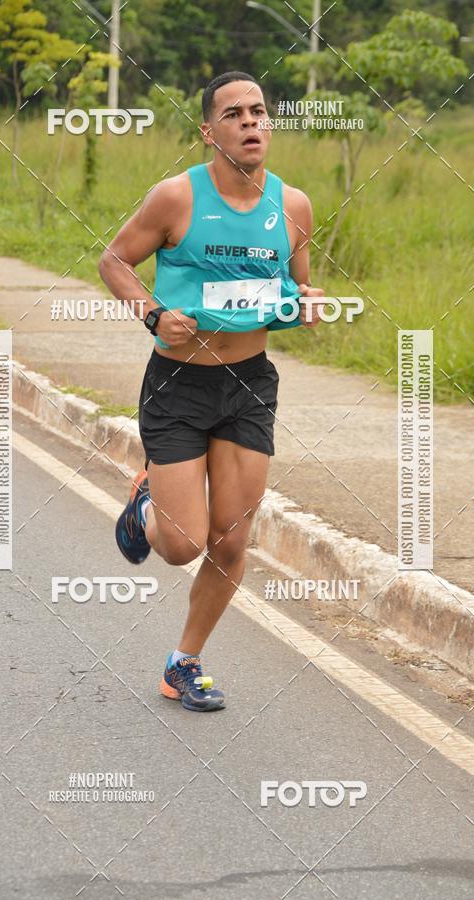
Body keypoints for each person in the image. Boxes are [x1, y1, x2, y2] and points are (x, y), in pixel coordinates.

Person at [98, 70, 324, 712]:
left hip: (248, 383)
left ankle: (183, 663)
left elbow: (294, 294)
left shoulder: (295, 207)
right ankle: (147, 504)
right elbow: (114, 261)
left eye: (259, 111)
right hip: (177, 380)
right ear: (209, 131)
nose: (252, 122)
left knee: (230, 539)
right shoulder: (176, 198)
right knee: (181, 546)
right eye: (235, 114)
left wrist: (306, 305)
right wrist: (150, 313)